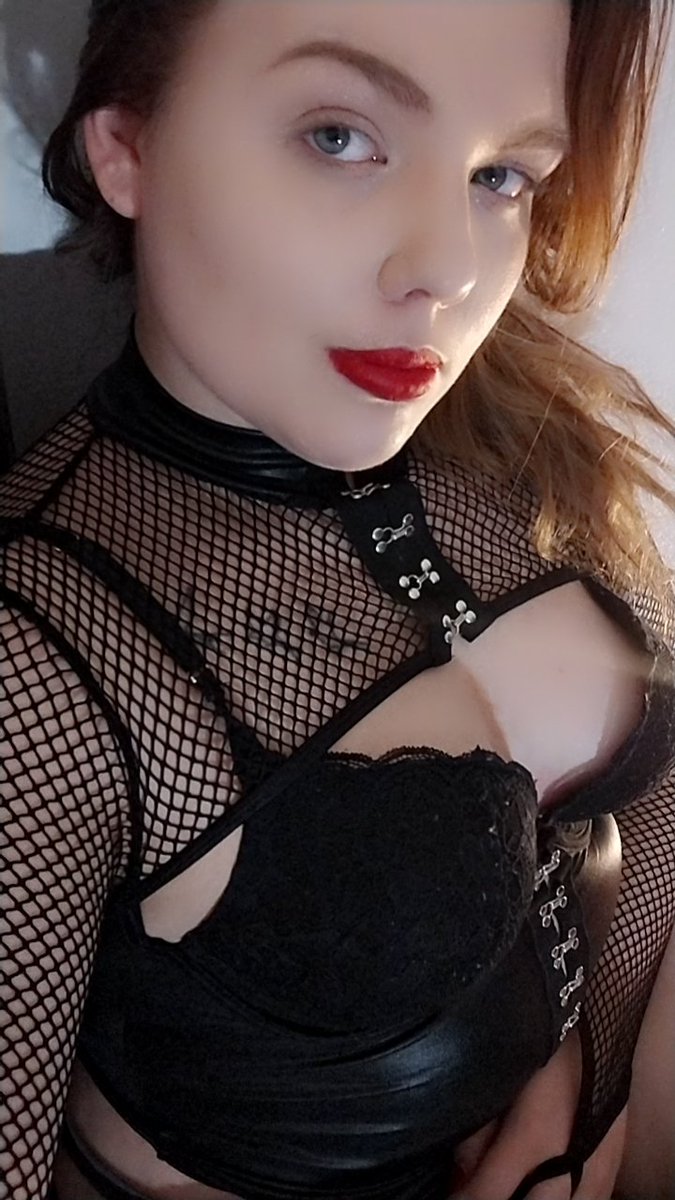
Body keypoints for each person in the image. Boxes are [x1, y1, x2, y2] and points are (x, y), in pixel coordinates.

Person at [2, 1, 675, 1198]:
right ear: (127, 147)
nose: (450, 271)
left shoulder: (528, 442)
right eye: (338, 137)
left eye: (502, 175)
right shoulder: (33, 654)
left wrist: (573, 1116)